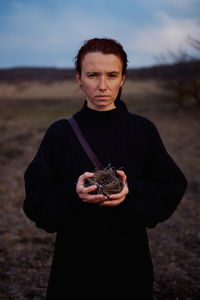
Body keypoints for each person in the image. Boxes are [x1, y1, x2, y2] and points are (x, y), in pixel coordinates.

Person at [23, 38, 188, 299]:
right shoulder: (60, 133)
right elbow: (35, 201)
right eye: (92, 75)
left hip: (130, 266)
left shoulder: (142, 131)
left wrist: (130, 192)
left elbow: (171, 187)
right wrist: (72, 194)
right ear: (79, 78)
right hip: (73, 269)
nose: (102, 86)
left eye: (112, 75)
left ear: (123, 78)